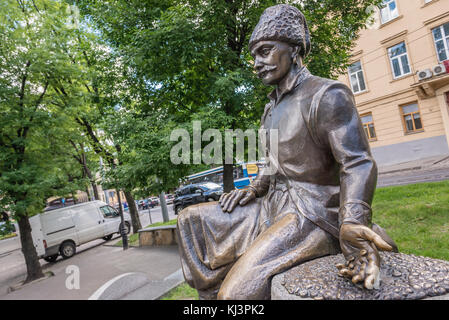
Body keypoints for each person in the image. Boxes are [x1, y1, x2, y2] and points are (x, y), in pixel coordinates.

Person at [176, 4, 397, 300]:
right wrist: (254, 189)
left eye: (265, 51)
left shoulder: (326, 95)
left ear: (293, 49)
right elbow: (274, 164)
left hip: (312, 212)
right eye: (254, 55)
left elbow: (357, 163)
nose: (257, 62)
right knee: (190, 220)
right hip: (271, 205)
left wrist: (353, 219)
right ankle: (210, 291)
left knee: (235, 297)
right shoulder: (270, 108)